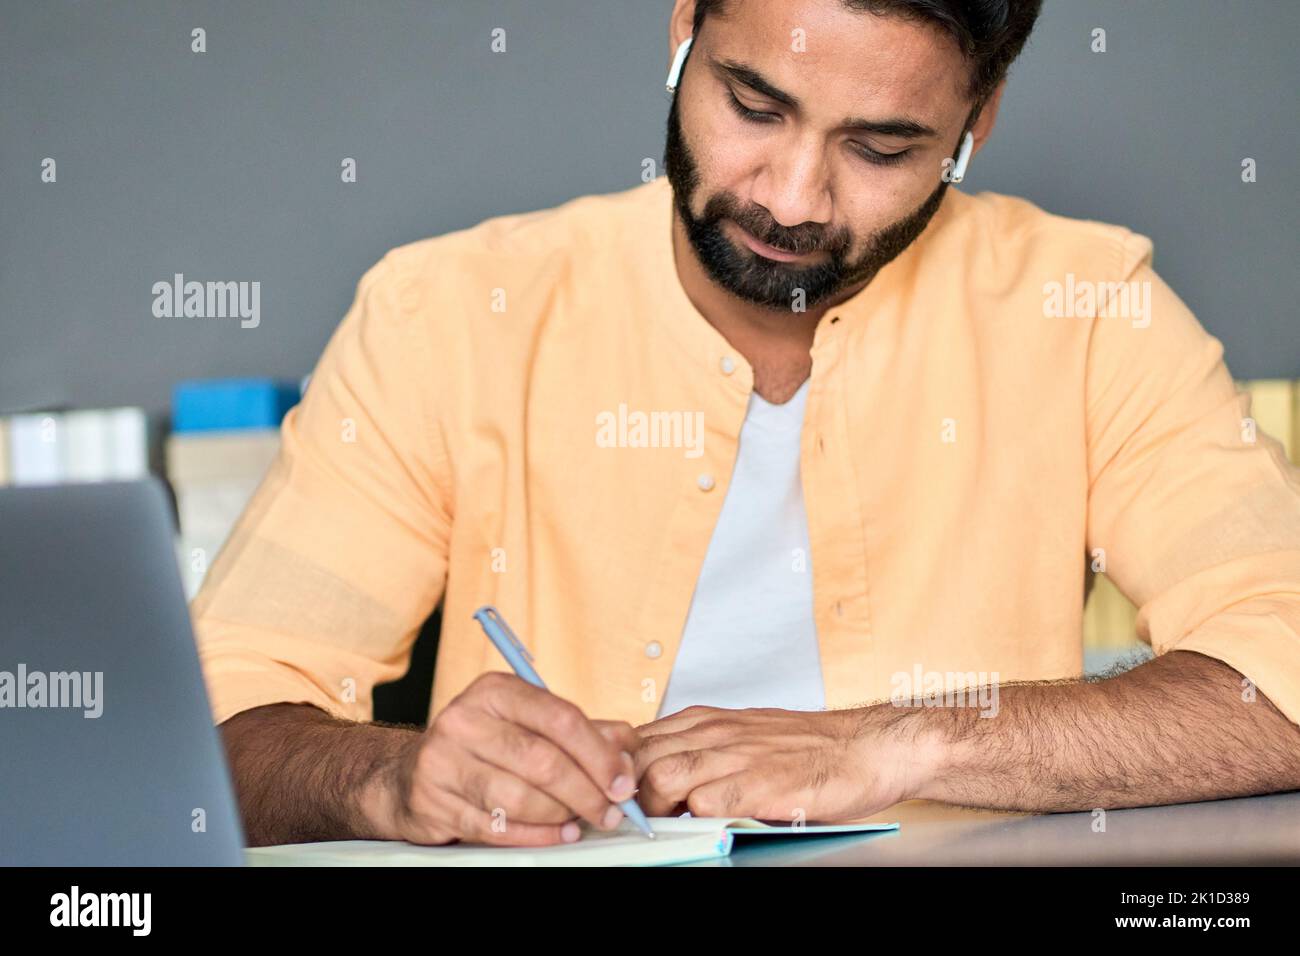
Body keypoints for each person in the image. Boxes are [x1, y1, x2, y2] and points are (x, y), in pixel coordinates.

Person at [199, 0, 1300, 847]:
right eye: (753, 107)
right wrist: (389, 778)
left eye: (879, 149)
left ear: (979, 119)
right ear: (684, 27)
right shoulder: (444, 313)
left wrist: (897, 740)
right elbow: (217, 717)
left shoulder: (1088, 308)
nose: (793, 198)